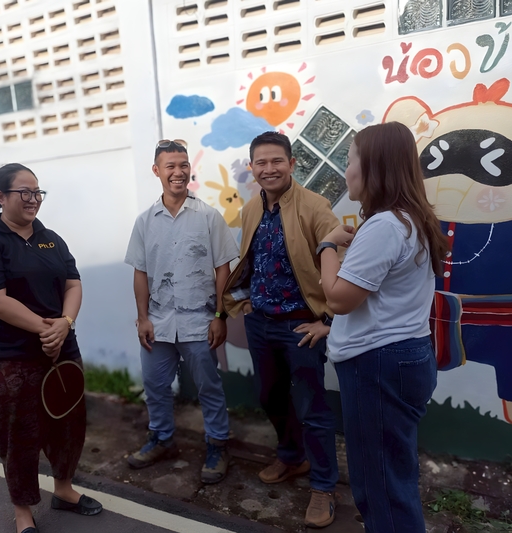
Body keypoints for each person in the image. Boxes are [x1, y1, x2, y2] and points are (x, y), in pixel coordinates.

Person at [319, 122, 447, 532]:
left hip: (377, 366)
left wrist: (327, 245)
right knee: (393, 474)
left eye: (350, 160)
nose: (346, 171)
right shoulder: (411, 219)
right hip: (403, 356)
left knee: (381, 487)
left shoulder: (385, 226)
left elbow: (338, 298)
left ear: (374, 166)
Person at [0, 164, 102, 533]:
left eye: (38, 192)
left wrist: (65, 324)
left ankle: (64, 490)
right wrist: (48, 329)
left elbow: (73, 283)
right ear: (0, 196)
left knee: (69, 424)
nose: (33, 199)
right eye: (24, 192)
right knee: (19, 436)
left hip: (62, 352)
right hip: (11, 357)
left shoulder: (51, 239)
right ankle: (23, 512)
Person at [223, 131, 340, 528]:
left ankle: (323, 487)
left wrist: (327, 320)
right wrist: (245, 302)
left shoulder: (316, 206)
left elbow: (341, 261)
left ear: (292, 164)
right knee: (270, 396)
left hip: (300, 325)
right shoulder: (251, 208)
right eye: (261, 162)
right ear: (252, 168)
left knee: (311, 407)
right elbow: (251, 259)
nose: (269, 169)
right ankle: (291, 458)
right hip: (261, 322)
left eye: (277, 161)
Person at [124, 139, 238, 484]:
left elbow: (223, 270)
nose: (178, 172)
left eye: (183, 165)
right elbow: (141, 272)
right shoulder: (145, 221)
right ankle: (162, 439)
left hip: (199, 322)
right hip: (158, 323)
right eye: (170, 166)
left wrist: (219, 317)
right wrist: (143, 318)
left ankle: (218, 444)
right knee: (155, 385)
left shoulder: (208, 217)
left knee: (208, 387)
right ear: (156, 171)